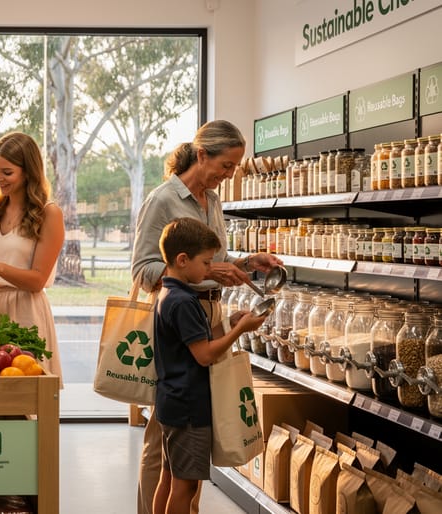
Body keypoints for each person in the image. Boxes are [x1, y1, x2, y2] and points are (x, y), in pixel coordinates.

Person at [130, 119, 282, 514]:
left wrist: (247, 263)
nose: (229, 175)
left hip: (210, 315)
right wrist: (210, 271)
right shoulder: (163, 199)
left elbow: (208, 261)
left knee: (195, 427)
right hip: (178, 318)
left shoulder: (212, 201)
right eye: (226, 166)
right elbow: (144, 270)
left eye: (234, 167)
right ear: (202, 155)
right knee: (164, 433)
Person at [151, 217, 265, 514]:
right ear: (183, 259)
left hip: (171, 400)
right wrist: (241, 331)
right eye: (206, 262)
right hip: (189, 406)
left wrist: (229, 324)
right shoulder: (185, 302)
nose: (210, 269)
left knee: (169, 476)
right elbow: (204, 355)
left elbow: (195, 342)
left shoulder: (170, 294)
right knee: (185, 486)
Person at [0, 132, 64, 381]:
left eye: (6, 172)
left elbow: (37, 281)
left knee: (24, 397)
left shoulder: (49, 214)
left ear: (28, 172)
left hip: (25, 313)